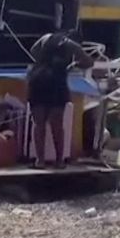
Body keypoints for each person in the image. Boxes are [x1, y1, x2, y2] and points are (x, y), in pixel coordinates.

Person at [26, 31, 93, 168]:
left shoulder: (46, 37)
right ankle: (59, 161)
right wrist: (73, 64)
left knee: (39, 124)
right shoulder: (72, 45)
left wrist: (44, 62)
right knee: (57, 125)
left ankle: (40, 161)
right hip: (56, 83)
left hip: (37, 79)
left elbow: (33, 51)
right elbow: (88, 62)